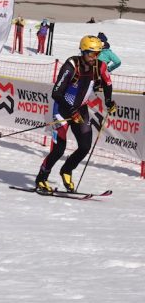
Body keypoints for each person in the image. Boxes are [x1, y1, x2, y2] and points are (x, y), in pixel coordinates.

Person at [34, 36, 116, 193]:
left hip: (81, 110)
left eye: (97, 54)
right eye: (92, 54)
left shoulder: (100, 66)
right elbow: (56, 93)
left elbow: (107, 84)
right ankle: (42, 177)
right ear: (83, 52)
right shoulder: (71, 65)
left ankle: (66, 170)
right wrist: (71, 110)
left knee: (85, 146)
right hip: (62, 110)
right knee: (59, 149)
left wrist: (108, 101)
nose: (95, 58)